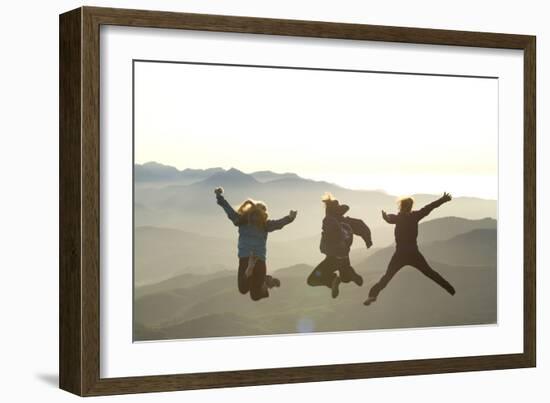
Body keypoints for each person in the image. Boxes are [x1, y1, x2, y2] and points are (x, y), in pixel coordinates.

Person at [364, 192, 456, 306]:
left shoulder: (398, 218)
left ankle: (372, 295)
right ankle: (450, 289)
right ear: (410, 206)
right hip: (413, 253)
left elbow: (389, 218)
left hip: (400, 254)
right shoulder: (415, 216)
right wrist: (443, 199)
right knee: (429, 272)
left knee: (387, 277)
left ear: (401, 206)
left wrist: (385, 217)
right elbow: (430, 207)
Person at [215, 187, 297, 301]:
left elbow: (229, 211)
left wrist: (219, 197)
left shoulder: (242, 221)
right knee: (252, 294)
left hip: (245, 258)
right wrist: (290, 218)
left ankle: (257, 275)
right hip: (259, 261)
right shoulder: (265, 225)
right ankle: (262, 279)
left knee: (246, 291)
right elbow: (279, 223)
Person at [307, 193, 373, 298]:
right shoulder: (347, 221)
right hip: (345, 258)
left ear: (328, 210)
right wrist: (368, 240)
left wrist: (324, 246)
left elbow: (330, 235)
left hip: (333, 258)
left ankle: (332, 280)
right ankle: (350, 274)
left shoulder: (329, 221)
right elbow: (361, 225)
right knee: (345, 278)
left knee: (312, 280)